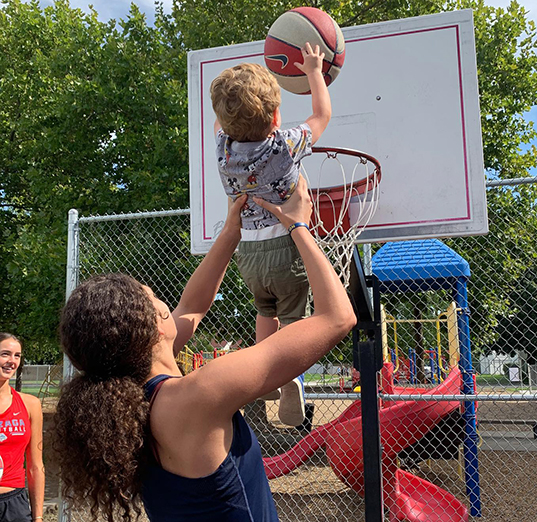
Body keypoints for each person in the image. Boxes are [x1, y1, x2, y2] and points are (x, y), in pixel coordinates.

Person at [53, 178, 355, 522]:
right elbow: (336, 318)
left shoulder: (132, 396)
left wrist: (231, 232)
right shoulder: (198, 395)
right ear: (155, 327)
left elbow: (193, 306)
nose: (167, 303)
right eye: (153, 297)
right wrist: (298, 225)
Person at [210, 43, 332, 426]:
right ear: (276, 117)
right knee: (294, 319)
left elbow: (221, 123)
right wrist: (314, 70)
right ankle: (290, 377)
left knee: (265, 308)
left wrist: (233, 99)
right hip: (286, 246)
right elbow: (321, 114)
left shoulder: (222, 151)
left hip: (247, 254)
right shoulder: (284, 145)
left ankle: (261, 374)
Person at [0, 333, 45, 522]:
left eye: (17, 355)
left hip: (14, 504)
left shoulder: (30, 405)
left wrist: (39, 517)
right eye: (5, 354)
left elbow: (35, 466)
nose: (12, 361)